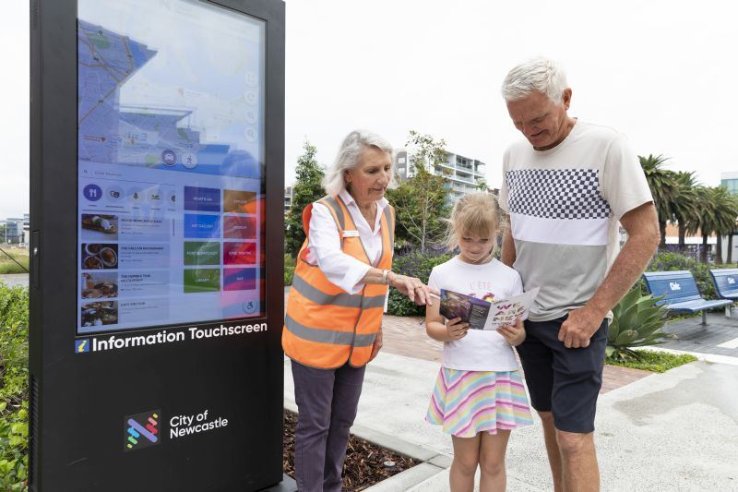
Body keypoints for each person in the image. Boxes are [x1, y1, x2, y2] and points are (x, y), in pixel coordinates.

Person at [498, 57, 660, 492]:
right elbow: (513, 231)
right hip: (529, 320)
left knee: (574, 437)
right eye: (519, 123)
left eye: (538, 119)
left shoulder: (607, 146)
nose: (530, 132)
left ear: (565, 99)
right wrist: (504, 299)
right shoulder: (514, 154)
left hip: (578, 323)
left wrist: (593, 312)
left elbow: (646, 235)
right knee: (550, 421)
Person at [282, 130, 434, 492]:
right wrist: (391, 277)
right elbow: (334, 263)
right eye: (372, 170)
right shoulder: (324, 211)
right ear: (348, 172)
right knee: (315, 425)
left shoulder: (386, 213)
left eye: (386, 168)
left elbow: (380, 270)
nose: (383, 178)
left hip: (358, 342)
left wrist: (377, 326)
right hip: (314, 338)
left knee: (342, 422)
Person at [425, 192, 534, 492]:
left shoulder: (509, 276)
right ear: (456, 230)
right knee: (464, 462)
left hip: (501, 376)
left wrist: (517, 335)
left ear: (496, 235)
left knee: (494, 463)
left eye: (483, 240)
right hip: (461, 375)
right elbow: (432, 324)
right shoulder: (442, 273)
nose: (475, 247)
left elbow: (520, 330)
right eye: (467, 238)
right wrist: (447, 333)